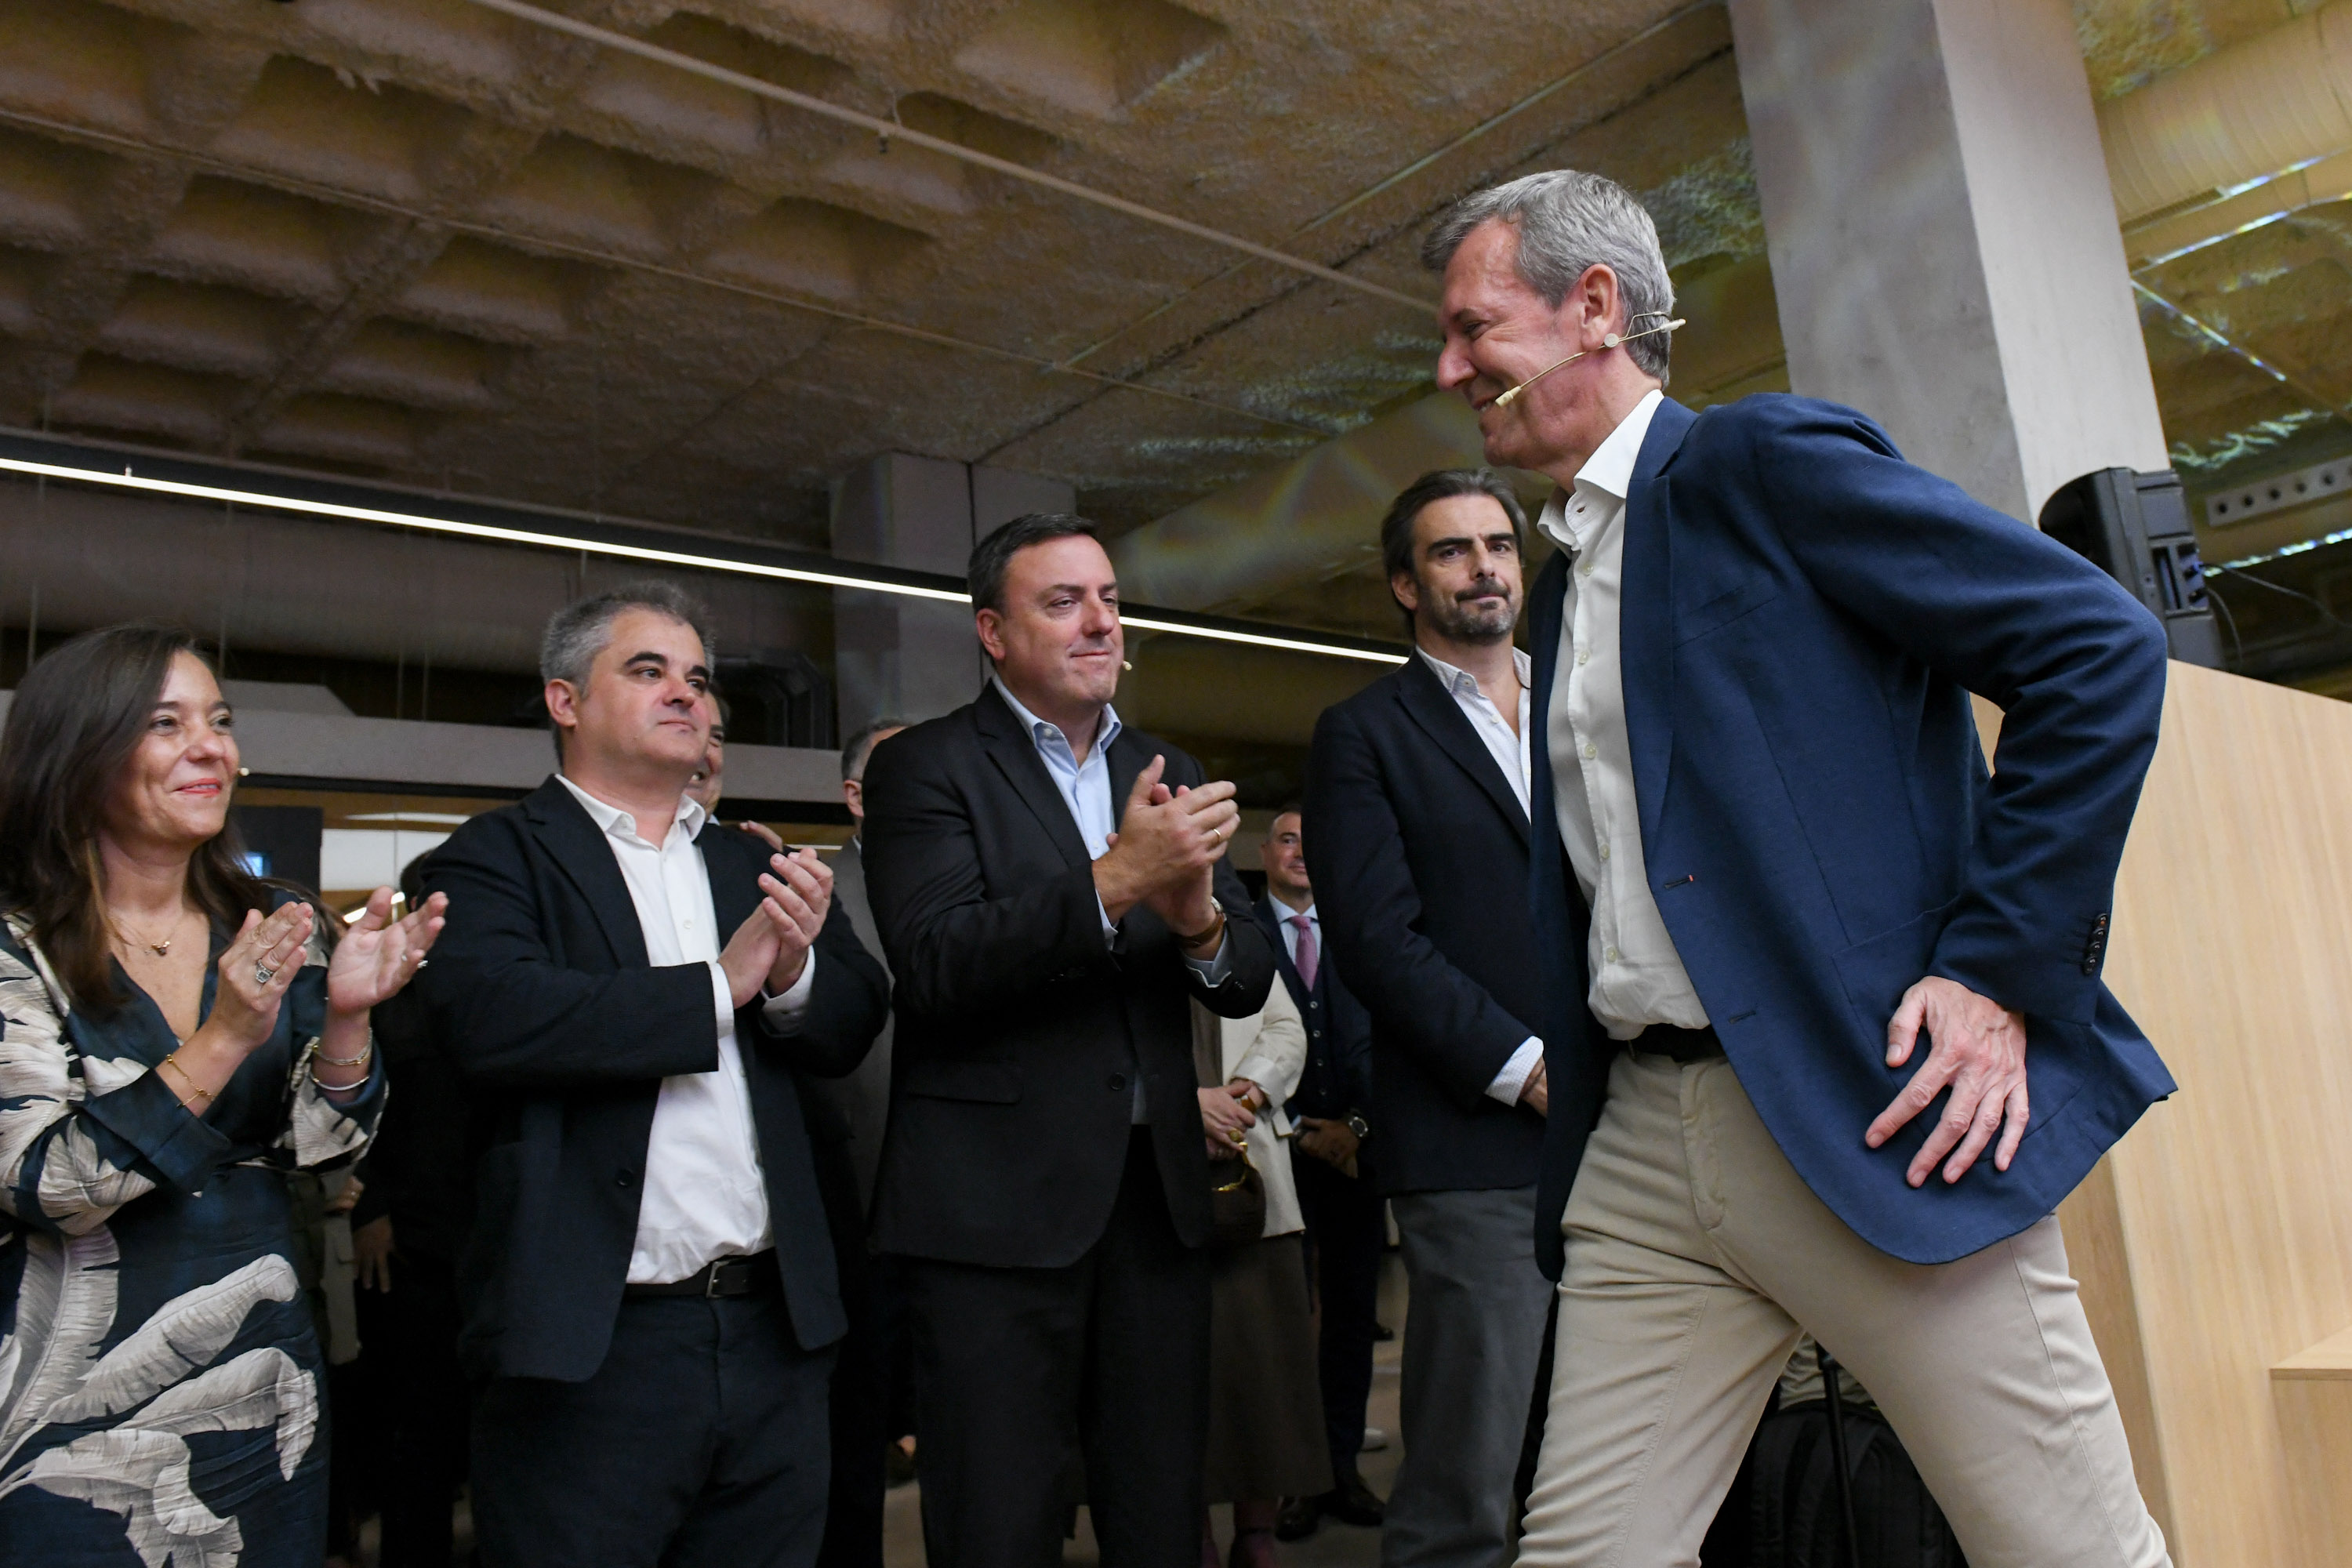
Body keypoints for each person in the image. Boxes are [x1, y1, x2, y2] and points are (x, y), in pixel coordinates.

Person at [1419, 169, 2176, 1566]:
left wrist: (1996, 973)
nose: (1450, 369)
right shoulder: (1571, 582)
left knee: (2071, 1552)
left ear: (1595, 309)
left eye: (1475, 329)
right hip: (1644, 1148)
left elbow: (2098, 649)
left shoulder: (1757, 465)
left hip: (1862, 1114)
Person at [419, 581, 891, 1568]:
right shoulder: (491, 859)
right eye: (648, 670)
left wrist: (792, 974)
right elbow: (500, 1018)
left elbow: (852, 1017)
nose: (687, 693)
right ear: (565, 699)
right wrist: (721, 985)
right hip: (594, 1348)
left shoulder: (748, 863)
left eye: (699, 678)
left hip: (775, 1333)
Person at [859, 512, 1277, 1567]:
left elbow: (1244, 980)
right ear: (993, 633)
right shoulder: (928, 768)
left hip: (1155, 1205)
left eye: (1108, 600)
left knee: (1159, 1514)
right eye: (1063, 602)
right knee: (997, 1523)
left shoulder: (1166, 765)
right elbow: (938, 965)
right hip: (992, 1217)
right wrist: (1118, 879)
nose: (1100, 622)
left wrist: (1198, 920)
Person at [0, 625, 442, 1566]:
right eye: (167, 723)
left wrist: (351, 1018)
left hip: (262, 1376)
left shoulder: (273, 919)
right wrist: (226, 1034)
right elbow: (49, 1183)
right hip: (66, 1410)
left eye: (220, 720)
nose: (213, 747)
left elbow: (320, 1150)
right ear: (78, 749)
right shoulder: (15, 944)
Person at [1305, 470, 1556, 1568]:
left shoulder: (1584, 701)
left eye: (1498, 544)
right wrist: (1526, 1066)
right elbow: (1377, 942)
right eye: (1452, 550)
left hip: (1633, 1127)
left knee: (1602, 1466)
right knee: (1468, 1485)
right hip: (1477, 1146)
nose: (1484, 566)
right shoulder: (1365, 733)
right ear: (1407, 584)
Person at [1254, 808, 1385, 1544]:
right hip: (1274, 1155)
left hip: (1355, 1157)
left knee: (1351, 1319)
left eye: (1313, 840)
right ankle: (1294, 1481)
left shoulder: (1363, 934)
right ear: (1265, 852)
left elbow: (1389, 1039)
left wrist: (1355, 1128)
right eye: (1288, 839)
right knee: (1285, 1325)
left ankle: (1341, 1469)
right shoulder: (1240, 933)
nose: (1302, 851)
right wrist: (1301, 1127)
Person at [349, 852, 475, 1568]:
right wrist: (369, 1209)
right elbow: (356, 1115)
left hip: (492, 1235)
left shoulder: (491, 986)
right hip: (409, 1242)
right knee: (414, 1421)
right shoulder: (382, 994)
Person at [1196, 981, 1328, 1568]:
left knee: (1266, 1376)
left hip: (1253, 1176)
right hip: (1153, 1170)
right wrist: (1186, 1105)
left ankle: (1256, 1535)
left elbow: (1286, 1029)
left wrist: (1243, 1098)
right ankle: (1191, 1535)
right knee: (1175, 1384)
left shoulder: (1239, 937)